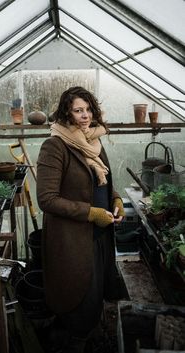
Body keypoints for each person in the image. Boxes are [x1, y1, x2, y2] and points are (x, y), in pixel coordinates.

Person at [36, 86, 125, 353]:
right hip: (73, 240)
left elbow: (104, 181)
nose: (85, 116)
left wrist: (115, 200)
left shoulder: (92, 140)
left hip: (99, 235)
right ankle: (74, 341)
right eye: (78, 110)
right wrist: (90, 213)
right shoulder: (55, 145)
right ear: (66, 112)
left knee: (96, 292)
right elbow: (47, 199)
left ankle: (89, 335)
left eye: (87, 109)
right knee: (79, 297)